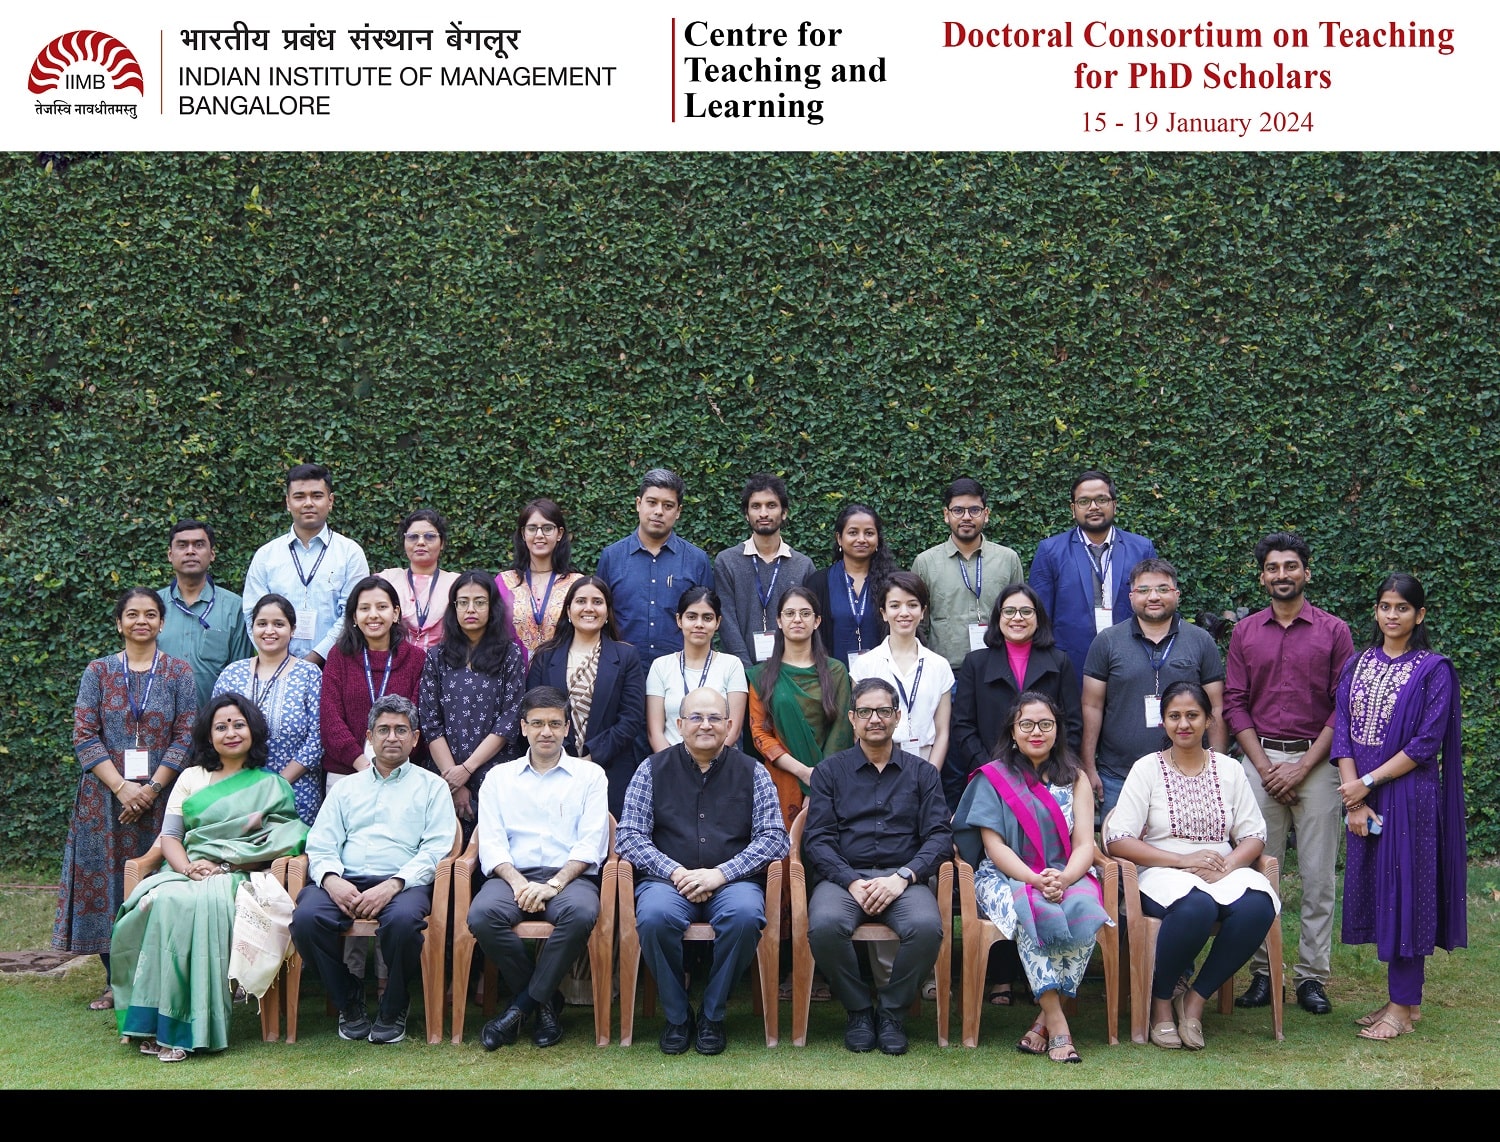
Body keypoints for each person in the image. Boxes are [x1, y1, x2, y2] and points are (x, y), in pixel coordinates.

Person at [110, 694, 308, 1061]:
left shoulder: (271, 786)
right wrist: (187, 868)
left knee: (194, 903)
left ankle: (189, 1028)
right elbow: (170, 837)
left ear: (253, 731)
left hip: (239, 875)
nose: (230, 732)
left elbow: (285, 837)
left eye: (238, 724)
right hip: (187, 870)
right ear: (209, 735)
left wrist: (228, 864)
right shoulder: (190, 778)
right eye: (221, 727)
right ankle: (156, 1022)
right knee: (164, 899)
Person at [1103, 681, 1279, 1051]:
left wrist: (1229, 863)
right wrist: (1182, 860)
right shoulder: (1147, 769)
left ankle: (1196, 999)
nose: (1183, 724)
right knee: (1196, 907)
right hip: (1163, 870)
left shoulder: (1229, 769)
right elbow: (1118, 838)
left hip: (1220, 867)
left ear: (1208, 719)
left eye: (1192, 715)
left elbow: (1253, 834)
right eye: (1174, 716)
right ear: (1163, 722)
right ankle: (1162, 1002)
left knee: (1257, 906)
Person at [615, 688, 790, 1056]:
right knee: (654, 917)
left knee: (745, 916)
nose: (705, 725)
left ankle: (712, 1014)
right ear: (679, 725)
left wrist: (721, 874)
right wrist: (676, 871)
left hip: (733, 882)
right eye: (695, 717)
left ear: (729, 725)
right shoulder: (651, 769)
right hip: (667, 881)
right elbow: (628, 836)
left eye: (714, 718)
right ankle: (677, 1017)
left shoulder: (753, 771)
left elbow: (775, 838)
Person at [1223, 532, 1354, 1016]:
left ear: (1307, 572)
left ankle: (1312, 977)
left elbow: (1343, 706)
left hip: (1316, 766)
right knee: (1259, 875)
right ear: (1263, 577)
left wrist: (1301, 767)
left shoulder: (1334, 631)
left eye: (1291, 566)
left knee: (1318, 876)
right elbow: (1235, 703)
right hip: (1257, 764)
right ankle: (1264, 973)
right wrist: (1262, 767)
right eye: (1274, 568)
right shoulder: (1245, 633)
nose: (1283, 575)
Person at [1333, 573, 1465, 1042]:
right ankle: (1404, 1003)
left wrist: (1367, 781)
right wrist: (1353, 792)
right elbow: (1343, 727)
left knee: (1408, 895)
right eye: (1385, 606)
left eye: (1403, 608)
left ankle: (1401, 1006)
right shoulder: (1358, 662)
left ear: (1419, 615)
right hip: (1364, 795)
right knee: (1382, 893)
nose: (1393, 615)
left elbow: (1427, 742)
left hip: (1410, 797)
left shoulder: (1434, 669)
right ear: (1376, 611)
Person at [53, 588, 197, 1012]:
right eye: (132, 614)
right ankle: (115, 980)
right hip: (103, 801)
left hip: (162, 797)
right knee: (107, 883)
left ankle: (159, 974)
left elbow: (186, 735)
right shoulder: (97, 672)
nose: (141, 621)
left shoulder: (178, 673)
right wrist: (122, 787)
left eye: (150, 614)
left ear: (161, 623)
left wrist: (150, 789)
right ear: (119, 623)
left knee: (159, 882)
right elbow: (84, 734)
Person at [951, 692, 1111, 1063]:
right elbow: (995, 848)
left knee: (1087, 911)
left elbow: (1086, 843)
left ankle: (1041, 1021)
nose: (1036, 731)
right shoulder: (994, 778)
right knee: (1030, 912)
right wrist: (1035, 881)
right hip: (1006, 875)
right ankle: (1058, 1024)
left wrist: (1066, 879)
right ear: (1012, 731)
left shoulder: (1076, 779)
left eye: (1045, 724)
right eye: (1026, 724)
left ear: (1057, 730)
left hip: (1064, 871)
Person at [290, 695, 458, 1045]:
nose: (392, 737)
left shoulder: (433, 787)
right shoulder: (345, 788)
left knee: (403, 923)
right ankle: (348, 1000)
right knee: (306, 920)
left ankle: (394, 1005)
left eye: (401, 730)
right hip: (344, 879)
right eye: (383, 730)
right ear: (369, 736)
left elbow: (437, 849)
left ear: (415, 738)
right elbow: (321, 842)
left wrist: (394, 884)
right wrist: (332, 881)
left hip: (403, 883)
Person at [804, 678, 952, 1056]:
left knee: (925, 927)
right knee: (823, 926)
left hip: (903, 879)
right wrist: (851, 881)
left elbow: (938, 838)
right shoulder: (828, 772)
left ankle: (890, 1012)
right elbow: (817, 839)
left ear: (897, 717)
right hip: (844, 880)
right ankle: (857, 1010)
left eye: (884, 711)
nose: (875, 719)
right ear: (852, 718)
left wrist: (903, 877)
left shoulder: (923, 773)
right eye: (866, 712)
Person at [471, 686, 610, 1050]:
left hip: (569, 878)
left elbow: (592, 841)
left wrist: (555, 883)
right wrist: (518, 883)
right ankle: (546, 1002)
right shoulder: (498, 778)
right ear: (523, 727)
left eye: (554, 723)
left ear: (567, 728)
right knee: (483, 915)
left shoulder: (590, 776)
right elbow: (493, 842)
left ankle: (521, 1007)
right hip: (512, 875)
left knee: (581, 913)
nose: (545, 731)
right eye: (537, 723)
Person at [1081, 558, 1227, 816]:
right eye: (1144, 590)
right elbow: (1091, 705)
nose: (1153, 596)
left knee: (1184, 852)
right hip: (1118, 775)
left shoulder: (1201, 641)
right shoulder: (1107, 642)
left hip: (1189, 774)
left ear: (1177, 594)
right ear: (1131, 596)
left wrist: (1217, 767)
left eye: (1162, 589)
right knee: (1120, 851)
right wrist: (1089, 767)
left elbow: (1216, 706)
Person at [952, 582, 1083, 812]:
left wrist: (1051, 769)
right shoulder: (975, 664)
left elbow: (1072, 723)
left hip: (1047, 778)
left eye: (1026, 611)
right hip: (991, 778)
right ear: (998, 617)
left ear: (1038, 617)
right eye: (1009, 611)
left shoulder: (1059, 661)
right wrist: (991, 770)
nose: (1017, 618)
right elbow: (963, 726)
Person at [525, 576, 647, 819]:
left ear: (607, 611)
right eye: (581, 601)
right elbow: (534, 715)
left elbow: (631, 718)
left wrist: (593, 756)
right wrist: (565, 758)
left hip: (610, 769)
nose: (589, 608)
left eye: (597, 602)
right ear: (568, 610)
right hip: (552, 767)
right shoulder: (545, 657)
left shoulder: (626, 656)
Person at [1029, 469, 1158, 694]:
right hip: (1071, 666)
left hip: (1132, 661)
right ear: (1073, 509)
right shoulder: (1051, 551)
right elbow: (1040, 618)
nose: (1094, 507)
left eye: (1101, 499)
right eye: (1084, 501)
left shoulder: (1142, 548)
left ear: (1114, 505)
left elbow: (1155, 608)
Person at [420, 571, 528, 832]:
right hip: (445, 772)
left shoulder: (510, 654)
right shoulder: (437, 656)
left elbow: (510, 719)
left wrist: (467, 769)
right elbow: (429, 722)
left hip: (496, 770)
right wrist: (454, 778)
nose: (471, 609)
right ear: (453, 607)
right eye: (463, 602)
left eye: (480, 602)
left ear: (492, 608)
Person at [747, 586, 853, 832]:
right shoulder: (761, 676)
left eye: (805, 613)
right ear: (779, 621)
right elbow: (760, 734)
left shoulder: (835, 671)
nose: (797, 619)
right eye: (790, 613)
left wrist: (819, 782)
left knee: (824, 850)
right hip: (781, 779)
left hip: (829, 781)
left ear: (817, 621)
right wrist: (804, 773)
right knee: (783, 853)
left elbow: (842, 732)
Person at [213, 593, 325, 825]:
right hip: (238, 789)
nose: (269, 631)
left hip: (295, 790)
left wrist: (276, 786)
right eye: (262, 624)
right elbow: (213, 729)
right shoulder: (232, 673)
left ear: (292, 630)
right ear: (252, 628)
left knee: (289, 859)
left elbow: (318, 739)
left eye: (279, 624)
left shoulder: (309, 674)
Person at [242, 463, 369, 666]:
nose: (308, 503)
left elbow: (353, 613)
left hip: (336, 667)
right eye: (299, 496)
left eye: (317, 496)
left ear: (330, 501)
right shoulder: (266, 556)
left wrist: (315, 659)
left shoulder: (350, 553)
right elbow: (252, 613)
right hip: (276, 667)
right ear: (288, 502)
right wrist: (279, 658)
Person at [595, 468, 714, 662]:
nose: (659, 511)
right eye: (652, 503)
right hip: (622, 670)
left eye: (668, 505)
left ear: (678, 512)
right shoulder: (612, 557)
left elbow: (708, 619)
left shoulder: (697, 560)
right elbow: (600, 616)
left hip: (679, 671)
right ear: (638, 504)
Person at [319, 576, 425, 790]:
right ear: (354, 617)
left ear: (395, 614)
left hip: (401, 773)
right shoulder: (339, 656)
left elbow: (418, 717)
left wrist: (389, 765)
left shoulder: (416, 659)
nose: (373, 615)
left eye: (382, 607)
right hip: (346, 773)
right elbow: (330, 717)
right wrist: (361, 763)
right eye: (364, 608)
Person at [910, 478, 1023, 671]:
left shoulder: (1008, 559)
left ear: (986, 514)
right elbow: (917, 624)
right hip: (945, 671)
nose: (966, 517)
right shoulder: (925, 562)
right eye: (958, 510)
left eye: (974, 510)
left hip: (998, 667)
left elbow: (1019, 615)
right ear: (946, 515)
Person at [849, 571, 953, 771]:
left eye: (912, 605)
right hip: (877, 761)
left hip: (925, 760)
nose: (904, 612)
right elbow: (858, 729)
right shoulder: (865, 665)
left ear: (923, 612)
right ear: (884, 613)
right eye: (895, 606)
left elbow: (942, 733)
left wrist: (930, 776)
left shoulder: (939, 666)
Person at [713, 473, 817, 666]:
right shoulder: (727, 562)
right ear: (746, 514)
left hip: (791, 673)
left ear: (784, 512)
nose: (763, 513)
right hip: (741, 672)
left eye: (771, 505)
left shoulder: (803, 565)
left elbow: (806, 623)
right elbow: (726, 620)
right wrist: (746, 670)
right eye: (756, 506)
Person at [157, 519, 253, 709]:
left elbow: (241, 675)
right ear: (170, 555)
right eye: (182, 545)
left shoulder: (235, 608)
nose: (190, 551)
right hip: (160, 723)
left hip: (215, 726)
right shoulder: (152, 606)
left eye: (199, 545)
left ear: (212, 554)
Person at [646, 586, 749, 751]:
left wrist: (707, 764)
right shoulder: (661, 666)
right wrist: (678, 766)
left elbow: (733, 730)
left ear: (718, 622)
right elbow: (654, 732)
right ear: (679, 620)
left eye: (707, 618)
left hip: (722, 765)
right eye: (692, 617)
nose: (699, 624)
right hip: (671, 766)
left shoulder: (732, 665)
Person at [810, 503, 899, 670]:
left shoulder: (892, 583)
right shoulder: (819, 583)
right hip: (833, 680)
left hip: (883, 681)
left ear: (878, 539)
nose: (861, 539)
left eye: (869, 533)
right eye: (853, 532)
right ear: (839, 538)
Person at [498, 498, 582, 657]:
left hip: (561, 674)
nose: (539, 535)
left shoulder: (576, 584)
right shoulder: (504, 582)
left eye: (547, 528)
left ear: (560, 533)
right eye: (532, 528)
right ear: (523, 534)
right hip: (511, 675)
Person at [377, 509, 460, 654]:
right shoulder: (387, 580)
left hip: (444, 667)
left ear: (442, 543)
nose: (421, 542)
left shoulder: (456, 584)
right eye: (413, 537)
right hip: (393, 665)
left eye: (430, 536)